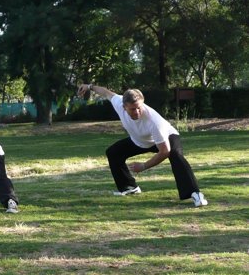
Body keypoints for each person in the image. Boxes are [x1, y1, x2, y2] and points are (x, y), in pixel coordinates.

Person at [77, 83, 209, 207]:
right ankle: (129, 187)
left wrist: (144, 166)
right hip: (139, 140)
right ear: (124, 107)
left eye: (139, 107)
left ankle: (195, 194)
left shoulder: (154, 121)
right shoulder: (118, 102)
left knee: (175, 155)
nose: (137, 112)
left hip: (166, 137)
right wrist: (89, 86)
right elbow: (106, 93)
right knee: (113, 152)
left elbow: (164, 151)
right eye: (133, 109)